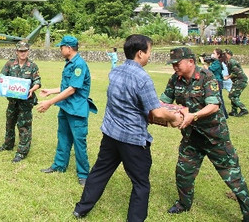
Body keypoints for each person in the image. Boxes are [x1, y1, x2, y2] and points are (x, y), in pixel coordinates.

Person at [73, 34, 184, 221]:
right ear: (140, 53)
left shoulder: (115, 71)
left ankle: (81, 209)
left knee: (100, 171)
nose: (150, 56)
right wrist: (174, 116)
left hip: (110, 134)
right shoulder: (143, 78)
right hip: (132, 139)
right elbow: (156, 112)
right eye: (149, 52)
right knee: (141, 184)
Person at [160, 47, 249, 222]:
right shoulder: (175, 79)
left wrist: (193, 115)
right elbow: (164, 101)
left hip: (215, 138)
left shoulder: (207, 77)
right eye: (172, 64)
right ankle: (184, 204)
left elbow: (214, 105)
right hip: (192, 138)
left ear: (191, 61)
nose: (174, 67)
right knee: (183, 172)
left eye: (177, 63)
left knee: (233, 177)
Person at [36, 35, 92, 185]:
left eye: (61, 47)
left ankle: (84, 174)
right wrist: (51, 91)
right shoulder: (69, 63)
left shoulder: (79, 64)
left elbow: (72, 89)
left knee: (79, 142)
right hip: (66, 107)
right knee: (63, 138)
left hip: (77, 110)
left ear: (68, 48)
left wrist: (49, 103)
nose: (60, 50)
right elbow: (66, 87)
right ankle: (59, 165)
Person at [0, 41, 41, 163]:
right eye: (21, 51)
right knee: (9, 123)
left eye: (25, 51)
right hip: (13, 101)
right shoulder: (10, 63)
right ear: (16, 52)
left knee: (24, 126)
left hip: (26, 102)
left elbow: (37, 82)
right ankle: (8, 145)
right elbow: (1, 77)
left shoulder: (32, 66)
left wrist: (32, 89)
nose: (23, 53)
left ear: (28, 52)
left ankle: (22, 152)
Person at [199, 49, 228, 118]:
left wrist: (203, 62)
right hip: (217, 81)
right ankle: (224, 114)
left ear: (218, 55)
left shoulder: (217, 63)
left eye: (214, 53)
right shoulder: (216, 62)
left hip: (217, 81)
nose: (212, 54)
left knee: (218, 99)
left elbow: (209, 70)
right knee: (218, 98)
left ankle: (223, 114)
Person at [223, 49, 249, 117]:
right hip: (238, 81)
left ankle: (243, 109)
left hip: (240, 80)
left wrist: (227, 77)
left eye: (225, 54)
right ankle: (234, 111)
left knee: (232, 95)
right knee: (234, 95)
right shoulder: (229, 62)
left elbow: (236, 72)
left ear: (229, 55)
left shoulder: (232, 62)